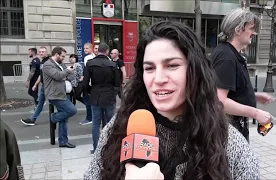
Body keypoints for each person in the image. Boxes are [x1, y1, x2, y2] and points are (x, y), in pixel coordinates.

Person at [84, 21, 259, 179]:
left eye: (172, 65)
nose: (158, 79)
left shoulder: (231, 146)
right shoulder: (116, 131)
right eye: (149, 68)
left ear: (195, 71)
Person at [211, 8, 275, 142]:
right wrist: (256, 113)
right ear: (238, 29)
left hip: (231, 130)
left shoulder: (229, 53)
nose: (254, 33)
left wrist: (253, 96)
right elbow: (219, 101)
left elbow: (228, 91)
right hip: (227, 133)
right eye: (251, 28)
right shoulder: (226, 57)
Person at [83, 43, 120, 154]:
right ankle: (109, 148)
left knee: (96, 123)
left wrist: (90, 92)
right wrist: (113, 93)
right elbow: (117, 84)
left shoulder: (90, 63)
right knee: (109, 123)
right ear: (107, 51)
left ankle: (96, 148)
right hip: (109, 96)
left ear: (97, 51)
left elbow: (85, 83)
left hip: (96, 96)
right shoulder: (112, 65)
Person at [42, 46, 77, 148]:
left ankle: (63, 141)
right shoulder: (48, 65)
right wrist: (67, 72)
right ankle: (53, 117)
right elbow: (57, 76)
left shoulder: (61, 64)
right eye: (62, 56)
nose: (63, 58)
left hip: (63, 93)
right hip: (55, 95)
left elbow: (69, 77)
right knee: (72, 110)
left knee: (64, 118)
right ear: (56, 54)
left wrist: (69, 72)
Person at [21, 46, 50, 126]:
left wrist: (30, 81)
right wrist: (36, 84)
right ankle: (32, 119)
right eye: (40, 52)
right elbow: (41, 75)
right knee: (40, 103)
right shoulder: (42, 62)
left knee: (56, 103)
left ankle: (62, 114)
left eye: (43, 52)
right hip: (44, 86)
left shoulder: (48, 61)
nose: (41, 53)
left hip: (50, 86)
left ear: (46, 53)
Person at [80, 42, 94, 125]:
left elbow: (87, 71)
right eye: (84, 48)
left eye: (87, 48)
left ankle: (89, 118)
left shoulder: (87, 58)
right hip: (93, 83)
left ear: (91, 49)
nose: (85, 49)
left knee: (87, 100)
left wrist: (84, 78)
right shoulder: (93, 57)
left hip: (88, 83)